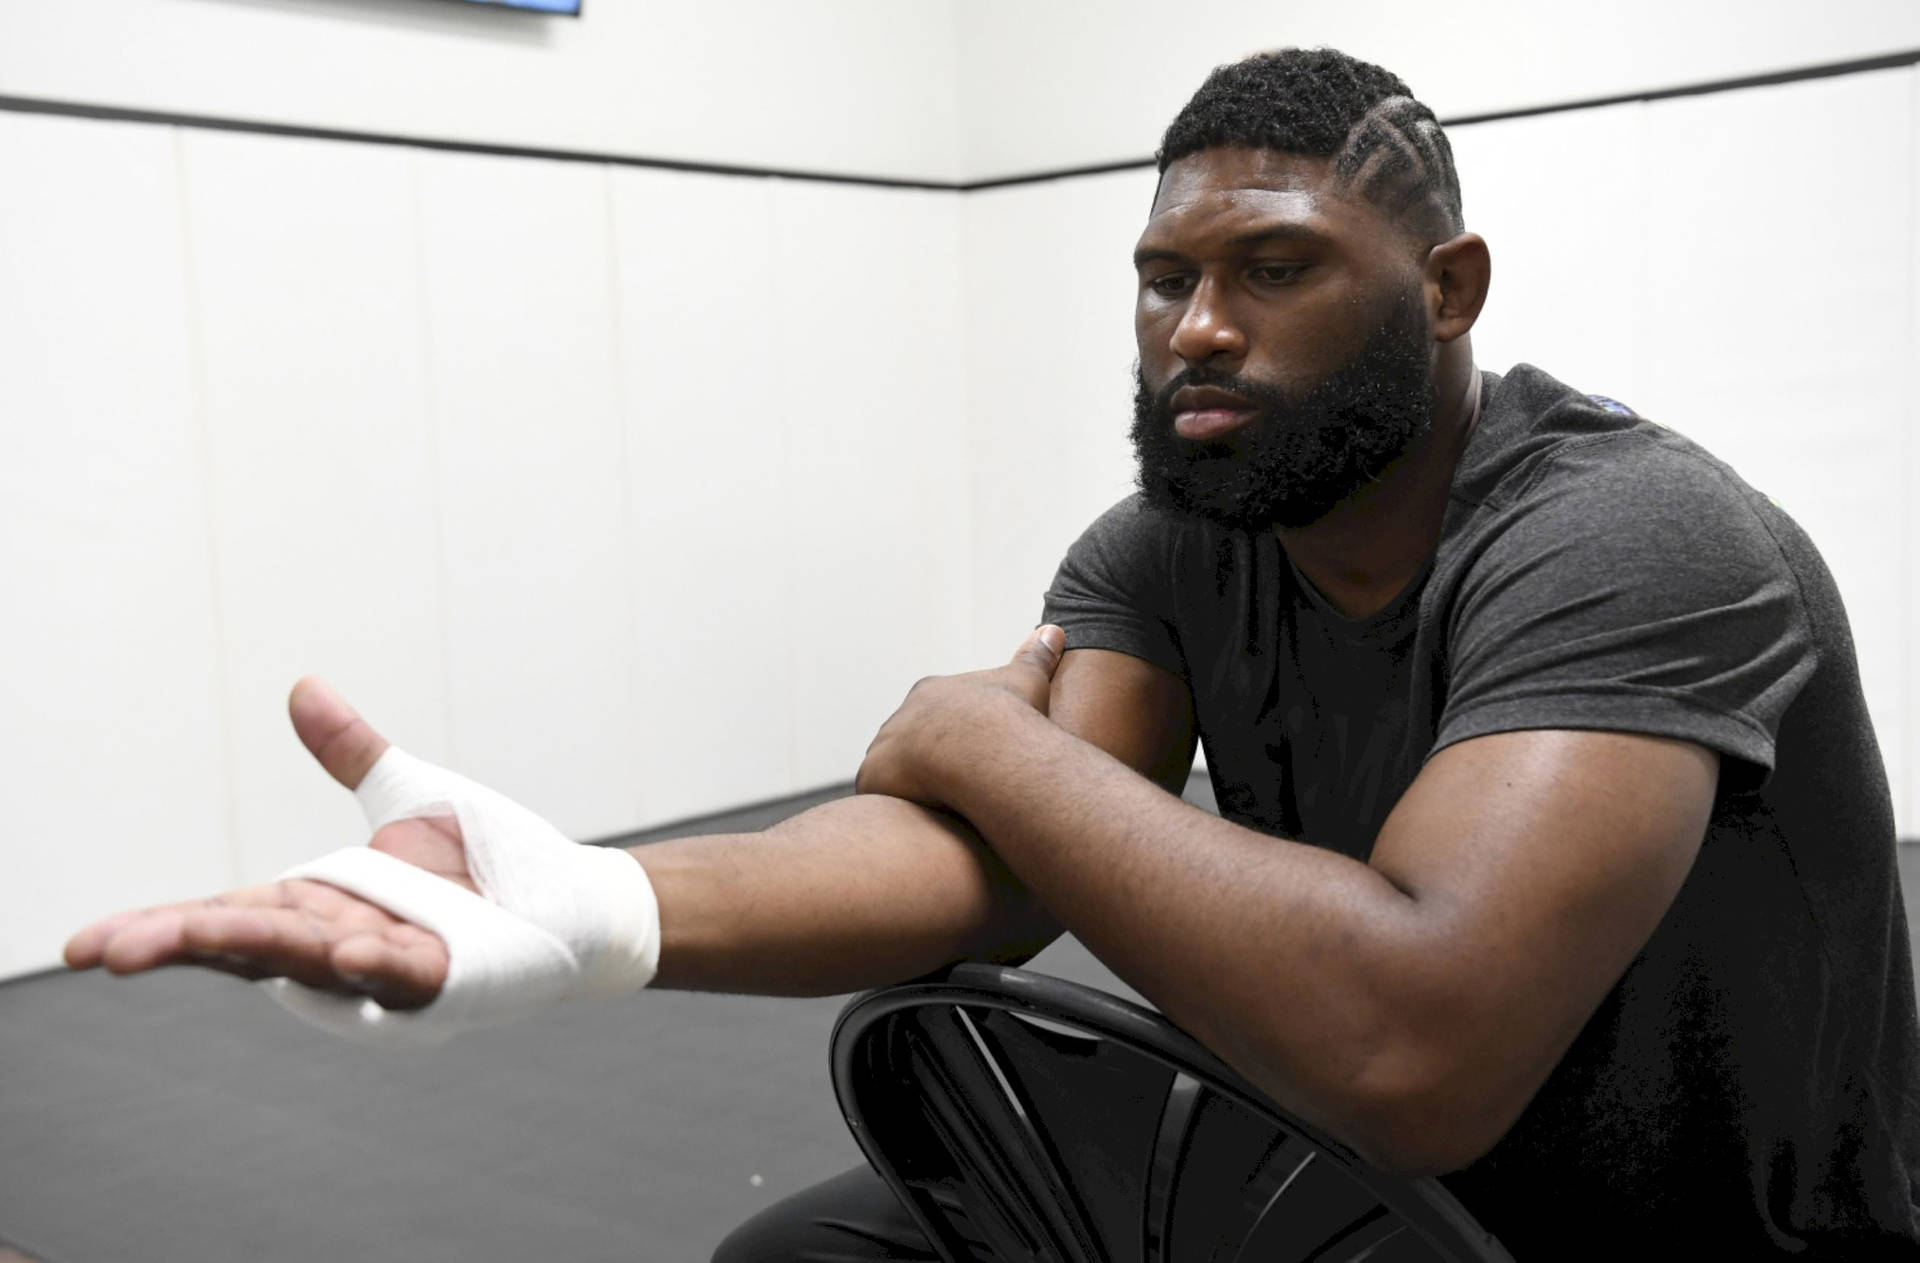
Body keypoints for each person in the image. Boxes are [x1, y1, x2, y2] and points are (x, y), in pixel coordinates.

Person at [64, 47, 1919, 1259]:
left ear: (1447, 292)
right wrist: (589, 905)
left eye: (1273, 270)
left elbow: (1407, 1039)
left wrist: (982, 737)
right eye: (1163, 276)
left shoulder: (1630, 537)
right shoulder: (1184, 537)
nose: (1195, 327)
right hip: (1319, 1194)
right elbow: (984, 867)